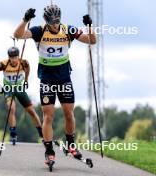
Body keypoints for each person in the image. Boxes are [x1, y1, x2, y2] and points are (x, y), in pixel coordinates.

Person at [13, 5, 96, 163]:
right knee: (48, 116)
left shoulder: (67, 30)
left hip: (64, 77)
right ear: (46, 21)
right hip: (47, 79)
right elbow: (17, 35)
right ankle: (49, 149)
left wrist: (90, 26)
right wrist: (25, 20)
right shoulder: (39, 31)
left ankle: (71, 144)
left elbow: (92, 40)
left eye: (57, 21)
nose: (55, 25)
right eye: (52, 22)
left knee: (69, 113)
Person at [0, 46, 43, 145]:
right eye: (12, 57)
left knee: (31, 111)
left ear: (18, 56)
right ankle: (13, 134)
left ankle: (42, 134)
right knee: (11, 109)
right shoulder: (3, 64)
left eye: (15, 57)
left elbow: (28, 69)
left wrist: (26, 81)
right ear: (9, 57)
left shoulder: (23, 62)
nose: (14, 59)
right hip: (9, 89)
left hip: (20, 89)